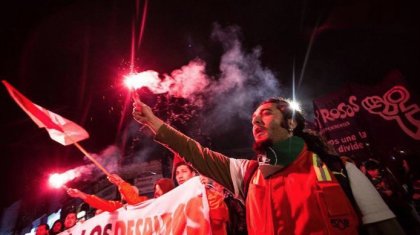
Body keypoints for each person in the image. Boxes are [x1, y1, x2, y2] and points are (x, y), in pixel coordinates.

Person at [133, 97, 405, 234]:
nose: (256, 121)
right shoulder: (247, 174)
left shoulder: (339, 169)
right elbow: (196, 153)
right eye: (253, 118)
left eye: (266, 113)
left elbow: (387, 229)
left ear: (292, 123)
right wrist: (154, 122)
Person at [174, 161, 229, 235]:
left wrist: (208, 190)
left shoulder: (206, 192)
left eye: (184, 171)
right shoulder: (177, 199)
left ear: (193, 174)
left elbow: (219, 217)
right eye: (177, 173)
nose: (180, 176)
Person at [66, 173, 148, 213]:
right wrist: (80, 194)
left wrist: (120, 182)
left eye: (130, 191)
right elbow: (100, 203)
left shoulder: (143, 202)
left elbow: (133, 199)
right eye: (122, 192)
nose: (123, 193)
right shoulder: (118, 206)